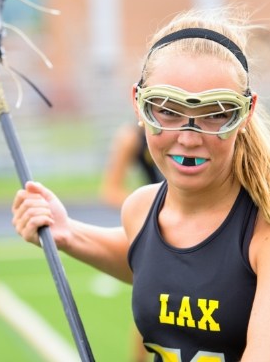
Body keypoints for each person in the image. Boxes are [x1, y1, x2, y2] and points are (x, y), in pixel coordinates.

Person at [12, 7, 270, 361]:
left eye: (215, 113)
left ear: (245, 113)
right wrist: (68, 233)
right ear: (138, 105)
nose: (188, 137)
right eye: (166, 109)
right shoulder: (141, 209)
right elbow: (148, 257)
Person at [100, 123, 164, 362]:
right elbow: (110, 190)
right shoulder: (131, 138)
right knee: (151, 302)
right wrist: (156, 210)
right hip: (161, 230)